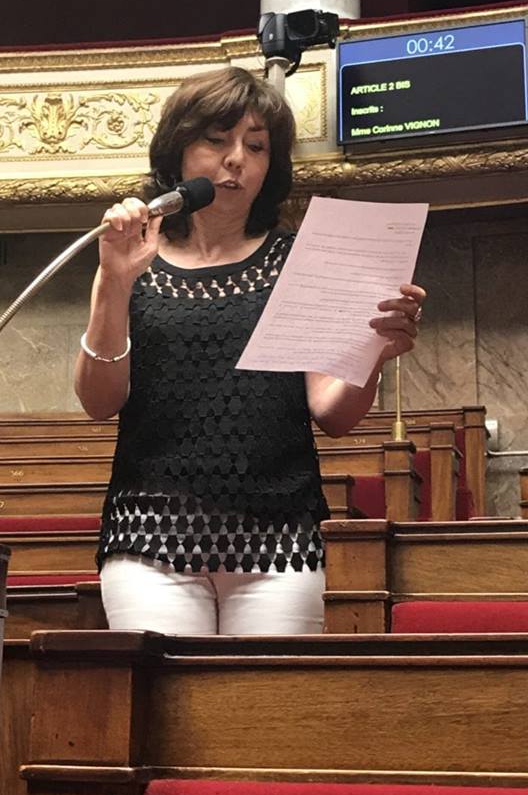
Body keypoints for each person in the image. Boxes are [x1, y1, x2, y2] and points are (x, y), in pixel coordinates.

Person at [75, 66, 425, 636]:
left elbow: (333, 414)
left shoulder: (300, 261)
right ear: (178, 151)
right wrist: (113, 281)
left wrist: (372, 352)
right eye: (217, 140)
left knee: (264, 694)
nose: (236, 159)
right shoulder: (131, 261)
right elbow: (98, 401)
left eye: (256, 146)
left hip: (280, 538)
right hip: (150, 537)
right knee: (168, 692)